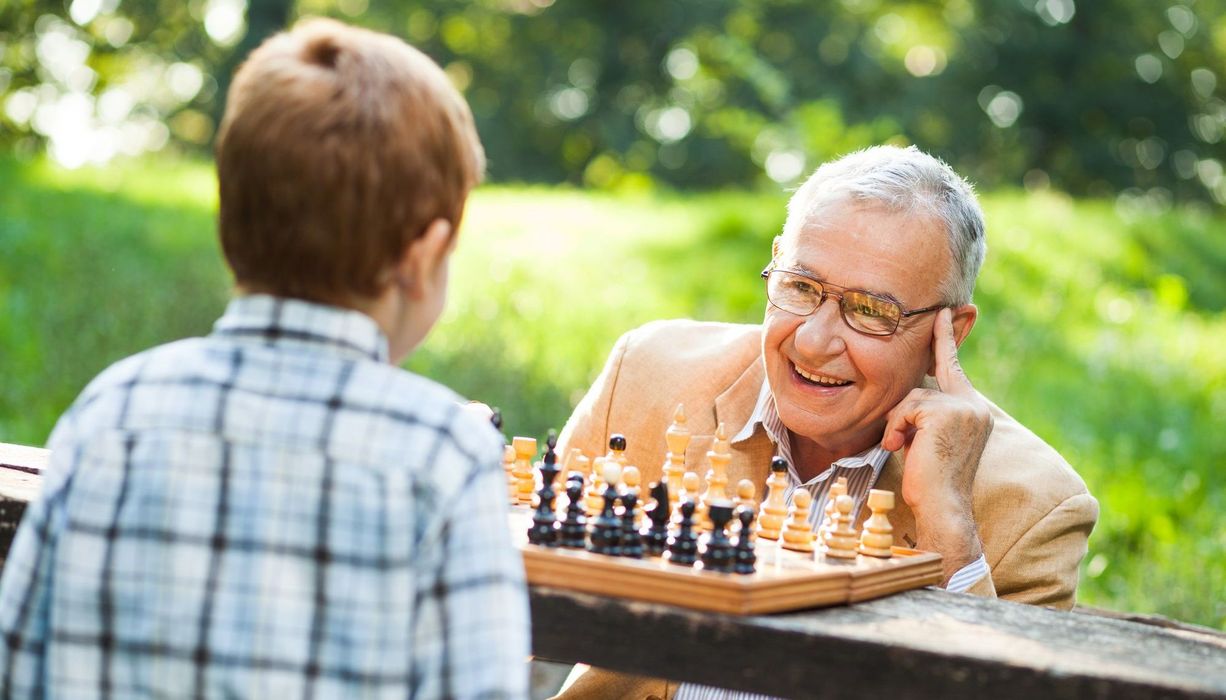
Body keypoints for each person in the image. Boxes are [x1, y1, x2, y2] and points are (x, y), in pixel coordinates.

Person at [0, 19, 530, 699]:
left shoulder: (109, 412)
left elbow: (19, 667)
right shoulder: (443, 458)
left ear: (230, 221)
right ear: (422, 259)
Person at [553, 145, 1098, 699]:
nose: (812, 342)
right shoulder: (649, 374)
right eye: (801, 287)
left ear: (950, 334)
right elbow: (515, 619)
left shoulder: (1037, 509)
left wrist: (949, 521)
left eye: (869, 310)